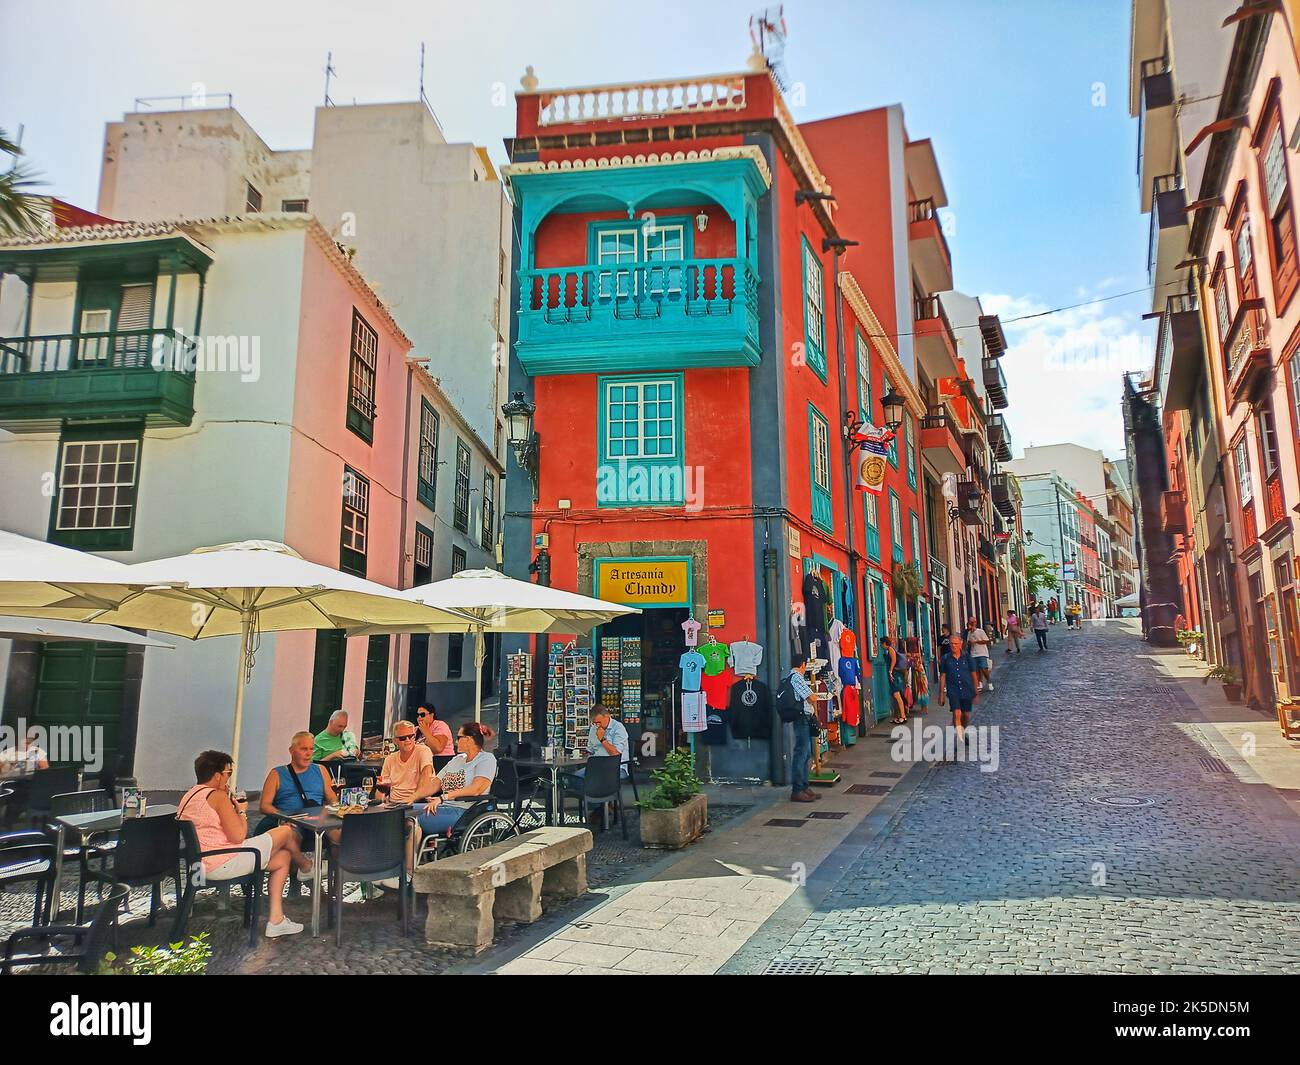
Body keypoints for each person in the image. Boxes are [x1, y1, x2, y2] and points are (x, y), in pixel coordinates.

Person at [178, 750, 307, 938]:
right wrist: (241, 811)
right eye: (228, 774)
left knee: (282, 857)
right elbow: (238, 836)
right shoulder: (217, 796)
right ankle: (306, 867)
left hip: (201, 863)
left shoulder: (190, 795)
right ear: (217, 775)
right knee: (286, 831)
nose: (229, 778)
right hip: (222, 861)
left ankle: (276, 921)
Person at [415, 722, 498, 843]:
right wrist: (410, 798)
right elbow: (435, 784)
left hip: (463, 812)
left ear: (468, 739)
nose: (455, 741)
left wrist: (443, 797)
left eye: (459, 738)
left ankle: (409, 859)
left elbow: (476, 789)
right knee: (403, 810)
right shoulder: (457, 760)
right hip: (444, 807)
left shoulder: (487, 759)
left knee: (410, 818)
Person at [258, 731, 340, 847]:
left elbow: (331, 797)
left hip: (317, 819)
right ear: (291, 751)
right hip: (292, 821)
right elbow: (264, 806)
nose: (308, 754)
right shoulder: (277, 773)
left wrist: (337, 811)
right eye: (304, 749)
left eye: (311, 749)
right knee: (291, 835)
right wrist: (284, 817)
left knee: (340, 836)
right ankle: (305, 864)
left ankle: (341, 864)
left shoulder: (321, 770)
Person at [784, 653, 820, 803]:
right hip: (801, 719)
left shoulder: (792, 677)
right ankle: (798, 789)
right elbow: (811, 697)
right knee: (801, 753)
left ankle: (804, 787)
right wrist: (814, 697)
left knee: (805, 754)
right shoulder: (796, 677)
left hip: (803, 718)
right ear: (803, 664)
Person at [377, 720, 436, 805]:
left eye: (411, 736)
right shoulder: (389, 759)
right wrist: (380, 803)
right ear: (394, 741)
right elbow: (381, 789)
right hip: (394, 804)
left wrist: (412, 799)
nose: (407, 740)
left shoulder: (423, 751)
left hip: (417, 802)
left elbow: (426, 775)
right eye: (403, 738)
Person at [937, 635, 979, 753]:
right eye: (951, 644)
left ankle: (963, 731)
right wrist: (941, 694)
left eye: (955, 644)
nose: (953, 646)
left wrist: (976, 691)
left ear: (960, 644)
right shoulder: (946, 658)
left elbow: (974, 674)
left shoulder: (967, 657)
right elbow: (943, 676)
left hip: (967, 689)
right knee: (957, 714)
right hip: (953, 690)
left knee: (966, 715)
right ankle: (959, 738)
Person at [965, 617, 994, 693]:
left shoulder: (980, 631)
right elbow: (967, 643)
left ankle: (989, 682)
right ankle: (979, 683)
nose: (971, 624)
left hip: (982, 653)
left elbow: (986, 641)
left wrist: (976, 642)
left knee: (984, 668)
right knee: (976, 669)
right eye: (970, 622)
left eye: (973, 622)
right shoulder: (969, 633)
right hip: (973, 653)